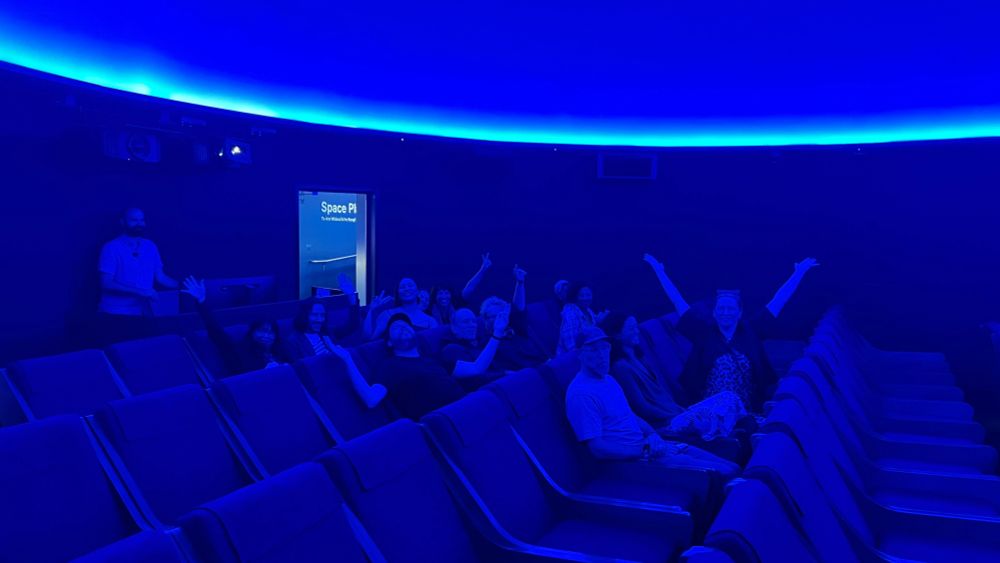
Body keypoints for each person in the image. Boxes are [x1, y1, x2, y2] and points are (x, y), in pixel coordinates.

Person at [643, 253, 819, 413]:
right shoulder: (702, 331)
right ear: (714, 312)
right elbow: (677, 301)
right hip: (709, 408)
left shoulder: (753, 329)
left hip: (746, 407)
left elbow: (779, 300)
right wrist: (660, 271)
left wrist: (799, 272)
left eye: (730, 308)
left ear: (739, 312)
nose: (725, 312)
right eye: (721, 308)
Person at [565, 326, 740, 478]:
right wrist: (644, 450)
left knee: (733, 467)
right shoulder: (581, 394)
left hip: (653, 448)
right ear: (579, 353)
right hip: (634, 463)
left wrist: (652, 435)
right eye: (593, 349)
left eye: (604, 347)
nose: (602, 355)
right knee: (727, 474)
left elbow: (630, 416)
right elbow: (598, 449)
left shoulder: (608, 379)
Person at [183, 277, 385, 407]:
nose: (266, 335)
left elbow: (350, 326)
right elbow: (219, 337)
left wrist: (351, 298)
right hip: (282, 393)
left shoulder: (322, 336)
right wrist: (201, 303)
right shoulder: (284, 343)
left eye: (271, 332)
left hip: (325, 381)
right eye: (261, 331)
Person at [605, 313, 746, 442]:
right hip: (666, 422)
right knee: (726, 402)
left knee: (729, 397)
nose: (636, 331)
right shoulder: (621, 368)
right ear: (617, 335)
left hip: (677, 413)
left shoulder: (640, 359)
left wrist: (680, 409)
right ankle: (724, 438)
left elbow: (663, 397)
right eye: (631, 328)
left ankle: (736, 433)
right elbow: (641, 406)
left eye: (636, 326)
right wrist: (674, 414)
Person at [97, 208, 180, 341]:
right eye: (134, 220)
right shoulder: (111, 248)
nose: (139, 223)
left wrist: (185, 286)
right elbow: (106, 283)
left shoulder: (150, 246)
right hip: (115, 315)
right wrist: (140, 291)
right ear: (122, 222)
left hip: (144, 313)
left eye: (142, 220)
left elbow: (161, 277)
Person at [373, 313, 468, 419]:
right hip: (444, 419)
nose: (403, 327)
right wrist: (349, 358)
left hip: (467, 404)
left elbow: (476, 368)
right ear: (389, 342)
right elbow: (371, 399)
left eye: (406, 325)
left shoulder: (433, 358)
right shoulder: (389, 367)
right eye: (396, 327)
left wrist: (491, 337)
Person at [478, 265, 549, 371]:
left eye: (501, 315)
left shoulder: (515, 326)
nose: (498, 318)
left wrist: (520, 283)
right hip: (522, 375)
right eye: (492, 316)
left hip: (542, 365)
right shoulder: (486, 341)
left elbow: (519, 307)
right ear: (485, 320)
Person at [439, 306, 510, 381]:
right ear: (454, 328)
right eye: (466, 322)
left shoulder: (480, 341)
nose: (472, 325)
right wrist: (504, 374)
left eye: (474, 321)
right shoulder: (450, 349)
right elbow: (474, 375)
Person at [429, 252, 494, 326]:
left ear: (451, 295)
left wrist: (483, 269)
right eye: (440, 293)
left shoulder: (456, 302)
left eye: (447, 293)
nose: (444, 296)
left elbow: (470, 286)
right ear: (435, 296)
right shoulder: (429, 308)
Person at [367, 278, 439, 339]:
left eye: (410, 285)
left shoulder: (430, 321)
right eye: (402, 287)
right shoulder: (387, 314)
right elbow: (369, 337)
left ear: (417, 292)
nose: (406, 289)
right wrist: (371, 310)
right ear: (398, 293)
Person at [557, 283, 610, 354]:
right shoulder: (570, 312)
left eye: (588, 295)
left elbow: (590, 330)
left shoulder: (588, 310)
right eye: (581, 295)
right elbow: (570, 343)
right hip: (573, 357)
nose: (585, 298)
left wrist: (599, 320)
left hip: (589, 352)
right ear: (574, 296)